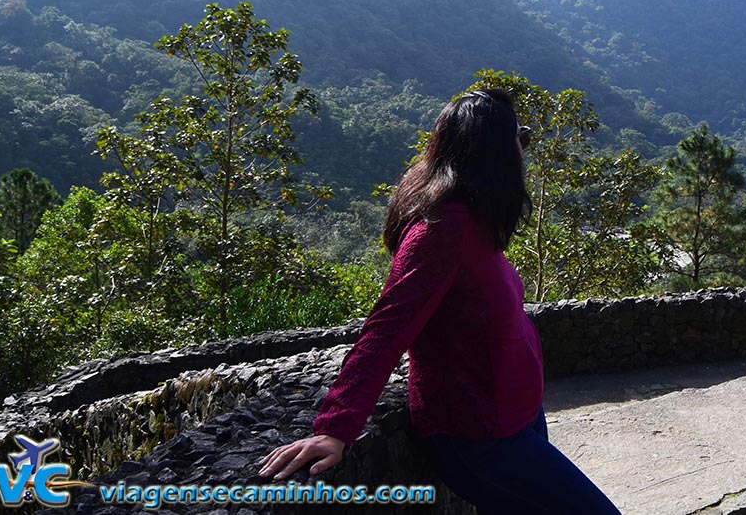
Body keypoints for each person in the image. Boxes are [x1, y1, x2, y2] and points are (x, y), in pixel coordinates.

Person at [257, 88, 621, 514]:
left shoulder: (475, 214)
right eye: (520, 135)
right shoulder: (442, 229)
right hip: (481, 436)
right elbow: (387, 327)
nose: (524, 146)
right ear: (497, 151)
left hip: (516, 414)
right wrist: (336, 426)